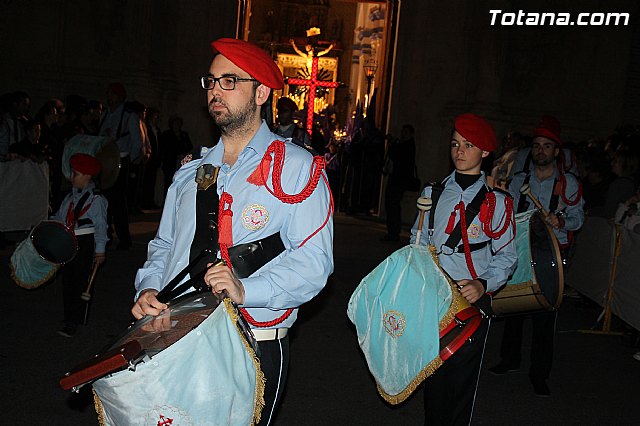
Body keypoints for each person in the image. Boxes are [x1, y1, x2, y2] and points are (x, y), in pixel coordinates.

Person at [131, 38, 334, 425]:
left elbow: (313, 262)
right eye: (210, 81)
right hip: (179, 336)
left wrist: (247, 290)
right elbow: (165, 245)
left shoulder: (296, 169)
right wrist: (148, 288)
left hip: (251, 341)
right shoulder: (192, 172)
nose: (215, 91)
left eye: (229, 81)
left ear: (260, 92)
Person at [411, 113, 518, 425]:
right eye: (455, 144)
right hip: (434, 297)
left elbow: (508, 256)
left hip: (471, 297)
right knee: (433, 376)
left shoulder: (498, 202)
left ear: (485, 153)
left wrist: (483, 284)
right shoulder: (433, 192)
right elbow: (418, 243)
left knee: (461, 384)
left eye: (468, 145)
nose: (459, 151)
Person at [490, 118, 585, 397]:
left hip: (550, 257)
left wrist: (561, 220)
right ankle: (509, 360)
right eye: (536, 146)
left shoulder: (568, 184)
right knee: (514, 309)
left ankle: (539, 374)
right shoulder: (519, 180)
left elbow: (578, 218)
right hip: (520, 253)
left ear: (556, 151)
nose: (540, 150)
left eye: (546, 146)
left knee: (545, 317)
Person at [51, 153, 108, 337]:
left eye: (75, 174)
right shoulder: (70, 197)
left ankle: (73, 321)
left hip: (85, 243)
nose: (71, 177)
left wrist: (100, 251)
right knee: (68, 281)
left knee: (80, 282)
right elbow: (60, 217)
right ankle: (69, 315)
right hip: (69, 242)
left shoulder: (96, 199)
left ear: (88, 176)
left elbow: (101, 226)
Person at [99, 82, 142, 249]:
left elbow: (136, 141)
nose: (109, 97)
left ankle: (124, 238)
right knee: (104, 200)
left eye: (112, 94)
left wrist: (129, 160)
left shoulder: (129, 116)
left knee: (118, 202)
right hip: (105, 160)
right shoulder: (106, 114)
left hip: (120, 160)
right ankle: (106, 234)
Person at [382, 124, 416, 242]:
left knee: (393, 205)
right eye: (402, 132)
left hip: (399, 180)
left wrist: (393, 144)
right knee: (391, 205)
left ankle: (394, 233)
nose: (403, 134)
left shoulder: (408, 146)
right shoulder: (403, 145)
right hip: (396, 179)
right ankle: (392, 231)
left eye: (406, 132)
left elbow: (396, 155)